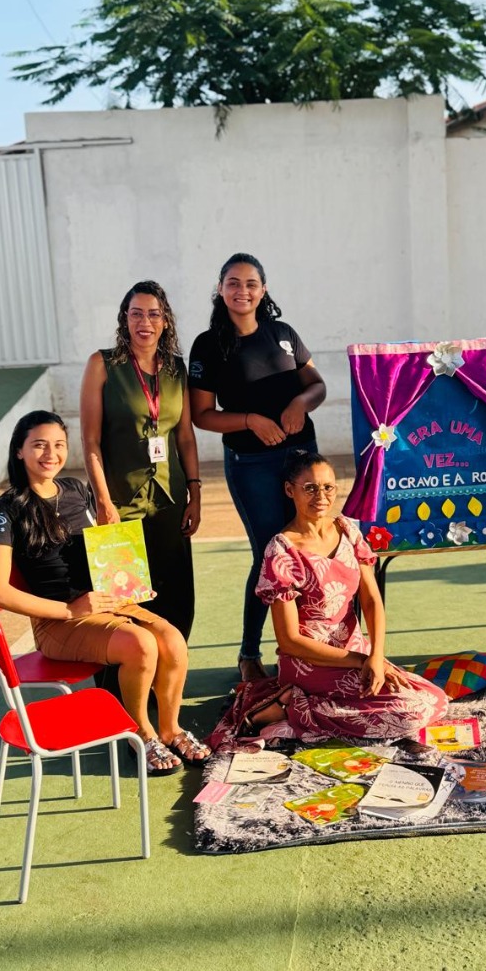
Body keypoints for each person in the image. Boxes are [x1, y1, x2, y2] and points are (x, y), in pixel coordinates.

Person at [0, 411, 210, 774]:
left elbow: (103, 547)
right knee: (141, 645)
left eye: (59, 445)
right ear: (19, 451)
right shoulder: (5, 509)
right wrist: (70, 611)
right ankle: (141, 734)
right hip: (58, 621)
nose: (51, 454)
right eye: (39, 445)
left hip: (106, 603)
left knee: (172, 640)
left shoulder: (75, 489)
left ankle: (171, 729)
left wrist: (127, 578)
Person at [207, 452, 448, 749]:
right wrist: (363, 661)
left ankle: (292, 706)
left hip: (357, 652)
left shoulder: (347, 530)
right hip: (310, 662)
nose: (321, 496)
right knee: (410, 714)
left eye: (328, 487)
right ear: (289, 490)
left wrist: (375, 655)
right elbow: (290, 641)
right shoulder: (281, 552)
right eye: (309, 488)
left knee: (434, 698)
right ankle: (291, 707)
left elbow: (371, 600)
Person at [189, 253, 327, 681]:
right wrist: (250, 420)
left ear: (263, 290)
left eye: (251, 283)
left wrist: (299, 403)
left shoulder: (283, 334)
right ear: (220, 289)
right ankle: (249, 653)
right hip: (251, 464)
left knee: (309, 547)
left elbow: (317, 385)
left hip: (302, 457)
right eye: (233, 282)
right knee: (270, 553)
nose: (242, 291)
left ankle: (316, 646)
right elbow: (202, 415)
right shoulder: (207, 345)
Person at [80, 280, 201, 640]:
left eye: (153, 314)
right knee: (123, 602)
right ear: (124, 319)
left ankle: (171, 668)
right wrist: (103, 502)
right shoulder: (102, 364)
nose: (144, 322)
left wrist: (195, 492)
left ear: (165, 321)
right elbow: (90, 440)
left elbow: (185, 437)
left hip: (170, 498)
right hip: (120, 501)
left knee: (176, 598)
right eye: (136, 314)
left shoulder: (177, 369)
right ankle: (128, 673)